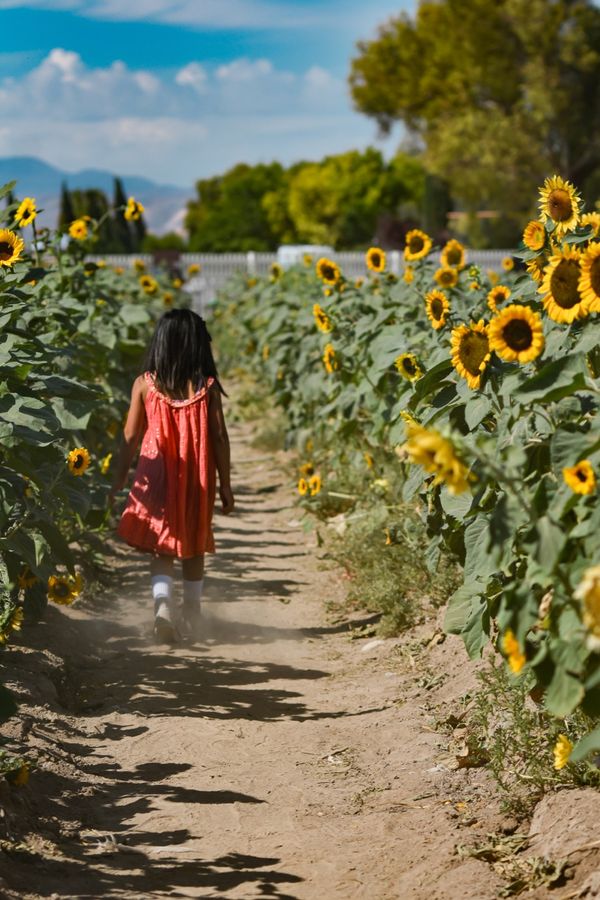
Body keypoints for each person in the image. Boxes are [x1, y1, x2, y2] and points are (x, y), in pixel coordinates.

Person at [109, 308, 234, 643]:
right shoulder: (207, 389)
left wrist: (119, 480)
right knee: (193, 544)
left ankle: (163, 607)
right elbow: (220, 438)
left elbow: (130, 436)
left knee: (161, 547)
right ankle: (192, 612)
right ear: (198, 346)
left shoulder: (144, 385)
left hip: (156, 473)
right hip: (197, 476)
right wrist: (226, 486)